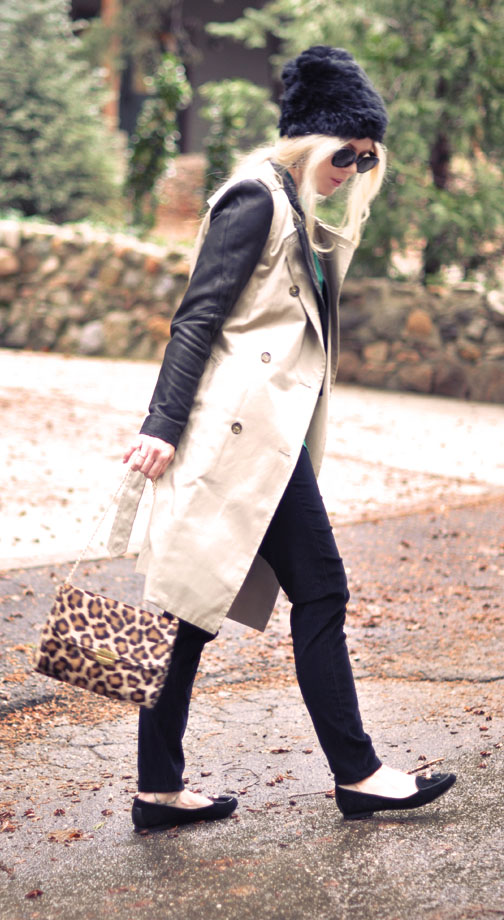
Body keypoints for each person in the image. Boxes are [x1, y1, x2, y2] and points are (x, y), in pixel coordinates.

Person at [122, 45, 456, 830]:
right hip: (236, 440)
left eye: (367, 157)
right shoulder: (255, 198)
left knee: (189, 613)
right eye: (345, 152)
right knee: (309, 590)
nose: (354, 168)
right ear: (309, 139)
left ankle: (157, 790)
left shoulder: (295, 206)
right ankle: (359, 773)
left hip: (266, 441)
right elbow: (196, 317)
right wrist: (160, 426)